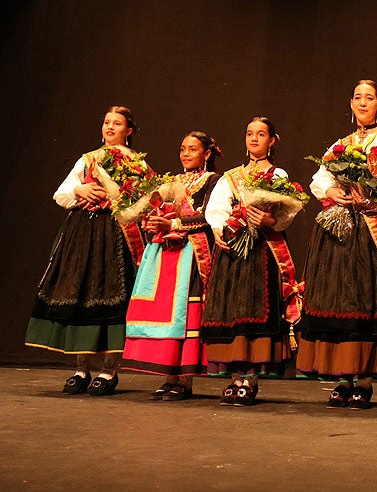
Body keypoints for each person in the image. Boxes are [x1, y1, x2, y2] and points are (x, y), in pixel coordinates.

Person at [295, 80, 377, 410]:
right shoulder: (340, 144)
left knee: (367, 299)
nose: (363, 103)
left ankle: (364, 381)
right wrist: (334, 193)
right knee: (339, 297)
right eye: (358, 98)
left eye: (369, 98)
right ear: (351, 104)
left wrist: (372, 200)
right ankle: (341, 377)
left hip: (372, 230)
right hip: (341, 231)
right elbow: (320, 179)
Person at [25, 105, 147, 396]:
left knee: (109, 296)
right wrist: (80, 191)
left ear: (128, 131)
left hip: (114, 235)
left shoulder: (137, 164)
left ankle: (109, 370)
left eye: (116, 124)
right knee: (78, 292)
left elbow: (142, 200)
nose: (109, 128)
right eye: (106, 122)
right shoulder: (87, 160)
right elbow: (62, 194)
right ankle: (81, 368)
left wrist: (116, 196)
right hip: (82, 232)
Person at [202, 116, 301, 407]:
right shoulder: (230, 177)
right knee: (232, 308)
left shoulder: (277, 175)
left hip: (262, 250)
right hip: (233, 250)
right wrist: (220, 230)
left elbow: (286, 214)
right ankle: (235, 377)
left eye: (261, 134)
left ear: (272, 141)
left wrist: (271, 219)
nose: (254, 139)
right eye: (249, 134)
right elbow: (216, 208)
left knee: (256, 307)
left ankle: (251, 379)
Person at [121, 131, 223, 400]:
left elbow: (208, 215)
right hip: (166, 254)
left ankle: (185, 380)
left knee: (186, 315)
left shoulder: (213, 181)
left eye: (192, 149)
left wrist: (174, 223)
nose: (186, 154)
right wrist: (152, 220)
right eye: (183, 149)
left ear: (207, 153)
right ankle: (169, 375)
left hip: (192, 254)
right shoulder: (172, 181)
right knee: (166, 311)